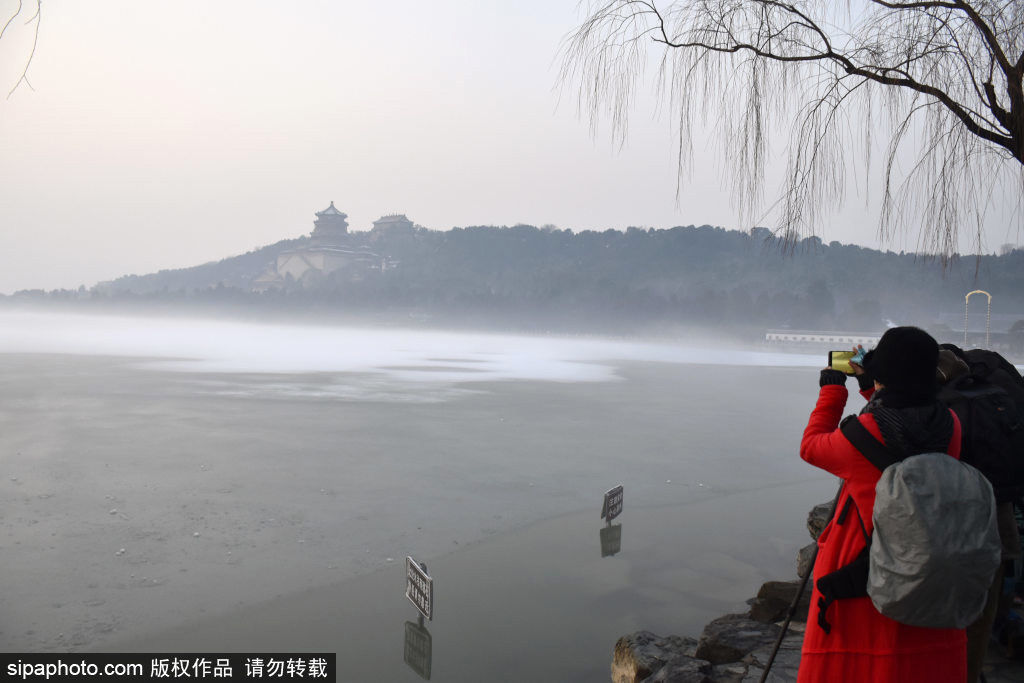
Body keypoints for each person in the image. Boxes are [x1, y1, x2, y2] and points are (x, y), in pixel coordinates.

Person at [797, 326, 966, 683]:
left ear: (884, 375)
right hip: (930, 565)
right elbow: (900, 425)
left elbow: (811, 446)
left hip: (864, 570)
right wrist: (872, 387)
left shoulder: (859, 435)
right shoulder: (949, 424)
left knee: (861, 663)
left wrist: (832, 389)